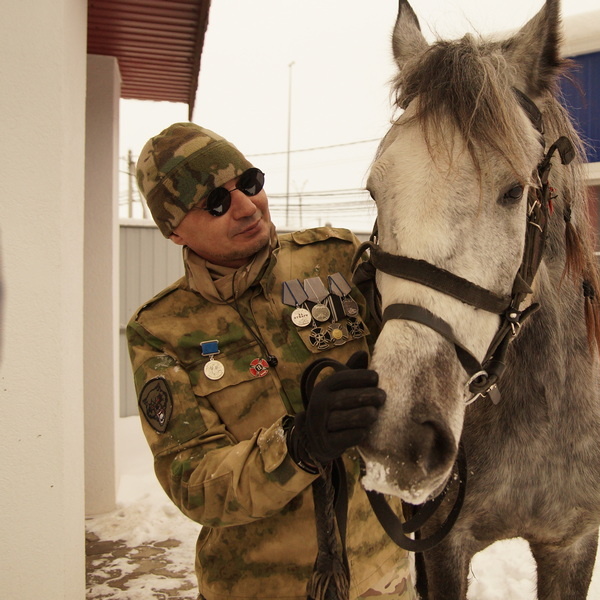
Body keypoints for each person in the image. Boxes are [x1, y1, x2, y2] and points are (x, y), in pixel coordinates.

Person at [127, 122, 413, 600]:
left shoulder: (337, 260)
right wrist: (299, 445)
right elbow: (192, 480)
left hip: (382, 577)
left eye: (249, 183)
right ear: (175, 231)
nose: (245, 206)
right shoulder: (161, 331)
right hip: (256, 588)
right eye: (215, 203)